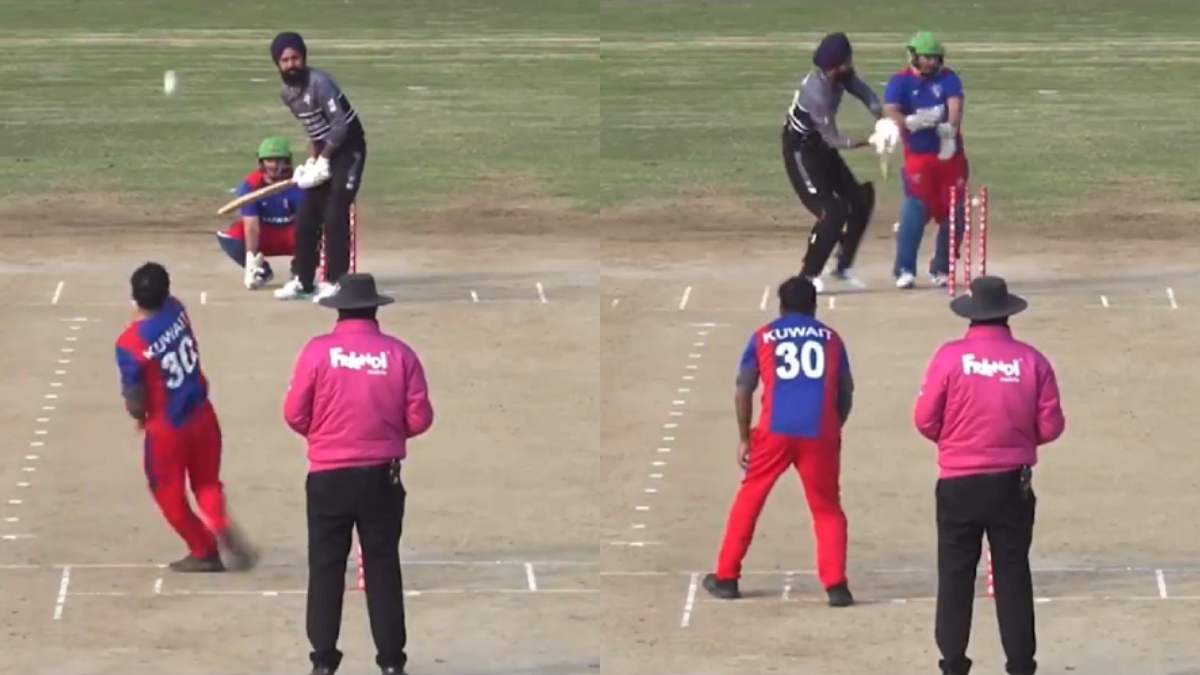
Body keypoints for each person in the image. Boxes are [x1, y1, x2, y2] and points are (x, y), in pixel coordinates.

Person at [913, 276, 1066, 675]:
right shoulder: (1032, 360)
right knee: (1013, 572)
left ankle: (952, 662)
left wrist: (955, 442)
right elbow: (1050, 426)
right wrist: (1017, 440)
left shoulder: (948, 357)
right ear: (1007, 313)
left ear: (971, 314)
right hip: (1011, 483)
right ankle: (1020, 664)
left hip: (957, 481)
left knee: (955, 572)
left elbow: (924, 419)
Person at [283, 273, 434, 675]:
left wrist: (324, 437)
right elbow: (420, 418)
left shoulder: (316, 352)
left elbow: (294, 413)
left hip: (328, 476)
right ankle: (391, 663)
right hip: (380, 477)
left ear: (339, 311)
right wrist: (387, 435)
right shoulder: (400, 354)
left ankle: (323, 662)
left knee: (325, 567)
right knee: (383, 566)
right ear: (374, 309)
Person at [703, 275, 855, 607]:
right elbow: (845, 392)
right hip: (820, 430)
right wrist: (834, 428)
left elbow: (744, 388)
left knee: (750, 497)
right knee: (827, 508)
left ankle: (726, 577)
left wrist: (744, 437)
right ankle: (836, 585)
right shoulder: (832, 339)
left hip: (774, 429)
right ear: (814, 307)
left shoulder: (763, 336)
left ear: (781, 306)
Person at [114, 262, 257, 572]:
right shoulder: (177, 310)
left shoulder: (129, 343)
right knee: (206, 482)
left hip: (167, 426)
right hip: (201, 413)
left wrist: (138, 415)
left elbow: (135, 400)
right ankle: (217, 521)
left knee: (167, 492)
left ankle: (203, 549)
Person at [269, 31, 368, 303]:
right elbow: (314, 130)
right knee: (306, 214)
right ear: (277, 64)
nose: (291, 65)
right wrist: (312, 162)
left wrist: (324, 159)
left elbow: (340, 126)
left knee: (335, 213)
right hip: (325, 150)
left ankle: (336, 281)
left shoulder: (320, 83)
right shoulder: (287, 94)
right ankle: (303, 280)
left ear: (304, 57)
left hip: (349, 149)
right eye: (285, 60)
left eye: (295, 58)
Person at [782, 32, 881, 293]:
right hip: (801, 148)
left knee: (860, 199)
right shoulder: (818, 93)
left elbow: (865, 93)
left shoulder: (841, 73)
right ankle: (807, 275)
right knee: (833, 212)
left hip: (820, 144)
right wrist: (870, 141)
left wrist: (882, 117)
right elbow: (834, 139)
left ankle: (842, 267)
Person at [884, 31, 970, 290]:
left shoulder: (948, 78)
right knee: (915, 210)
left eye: (935, 57)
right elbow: (890, 109)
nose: (932, 62)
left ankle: (942, 267)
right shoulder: (900, 81)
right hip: (918, 156)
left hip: (949, 155)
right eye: (926, 57)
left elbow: (955, 105)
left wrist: (950, 128)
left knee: (955, 211)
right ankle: (905, 269)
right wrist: (908, 122)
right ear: (914, 56)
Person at [215, 136, 306, 290]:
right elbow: (251, 225)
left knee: (324, 233)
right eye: (269, 160)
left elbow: (307, 222)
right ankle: (261, 271)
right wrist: (251, 258)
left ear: (287, 161)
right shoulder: (250, 184)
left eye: (279, 160)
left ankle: (301, 270)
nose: (274, 166)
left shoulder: (301, 183)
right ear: (261, 162)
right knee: (231, 236)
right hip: (265, 234)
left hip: (293, 234)